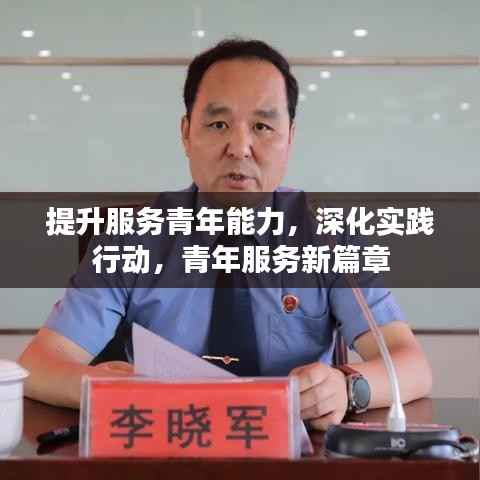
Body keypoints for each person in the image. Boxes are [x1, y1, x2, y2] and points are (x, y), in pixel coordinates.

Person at [19, 38, 432, 431]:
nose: (239, 147)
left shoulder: (328, 238)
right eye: (218, 124)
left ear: (290, 138)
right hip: (165, 447)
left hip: (296, 456)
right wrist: (102, 386)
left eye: (263, 126)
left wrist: (346, 386)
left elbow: (411, 365)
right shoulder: (132, 238)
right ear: (186, 133)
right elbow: (39, 364)